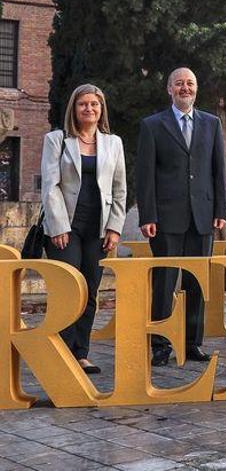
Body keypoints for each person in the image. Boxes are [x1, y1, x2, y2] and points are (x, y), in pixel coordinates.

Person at [136, 67, 226, 366]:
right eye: (179, 83)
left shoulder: (212, 124)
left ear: (196, 89)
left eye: (190, 83)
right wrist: (147, 215)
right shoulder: (152, 126)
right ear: (169, 89)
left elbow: (218, 171)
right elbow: (145, 175)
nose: (184, 88)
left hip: (202, 216)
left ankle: (191, 343)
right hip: (165, 218)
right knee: (164, 283)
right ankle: (160, 346)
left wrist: (220, 211)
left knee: (196, 283)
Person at [41, 84, 126, 374]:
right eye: (83, 104)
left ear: (101, 109)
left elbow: (120, 189)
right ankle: (61, 352)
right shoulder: (57, 140)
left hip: (98, 229)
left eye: (94, 104)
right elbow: (50, 186)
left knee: (90, 290)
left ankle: (81, 353)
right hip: (65, 228)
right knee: (67, 289)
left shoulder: (113, 143)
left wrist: (115, 228)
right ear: (73, 109)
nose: (89, 109)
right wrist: (58, 225)